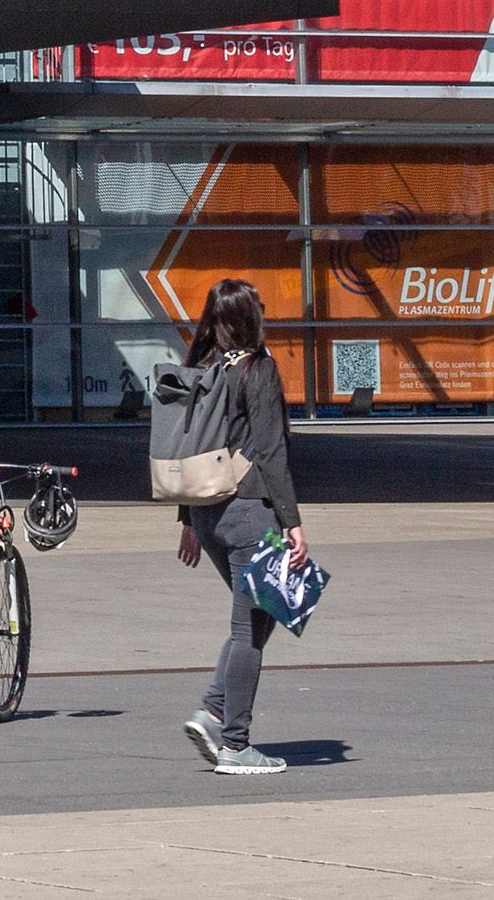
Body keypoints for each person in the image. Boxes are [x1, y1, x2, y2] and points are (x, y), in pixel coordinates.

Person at [170, 277, 309, 777]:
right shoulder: (259, 369)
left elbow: (186, 449)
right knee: (250, 627)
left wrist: (187, 518)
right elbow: (271, 452)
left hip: (208, 515)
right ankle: (234, 742)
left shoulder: (200, 369)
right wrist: (292, 523)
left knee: (265, 612)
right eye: (261, 307)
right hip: (250, 512)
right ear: (249, 317)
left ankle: (212, 709)